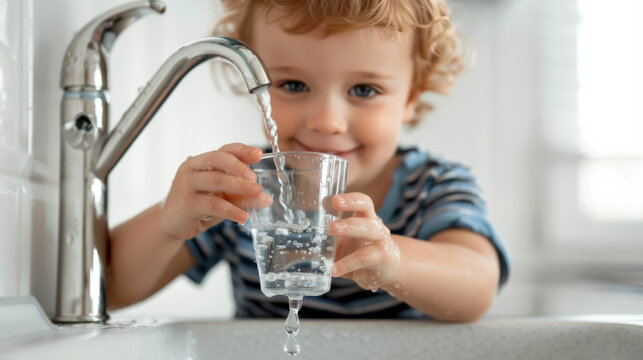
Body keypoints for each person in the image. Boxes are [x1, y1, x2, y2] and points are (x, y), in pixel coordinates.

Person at [108, 0, 510, 322]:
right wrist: (169, 223)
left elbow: (477, 287)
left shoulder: (432, 187)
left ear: (411, 99)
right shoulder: (245, 189)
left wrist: (394, 260)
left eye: (364, 90)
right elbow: (110, 290)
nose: (326, 122)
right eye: (294, 85)